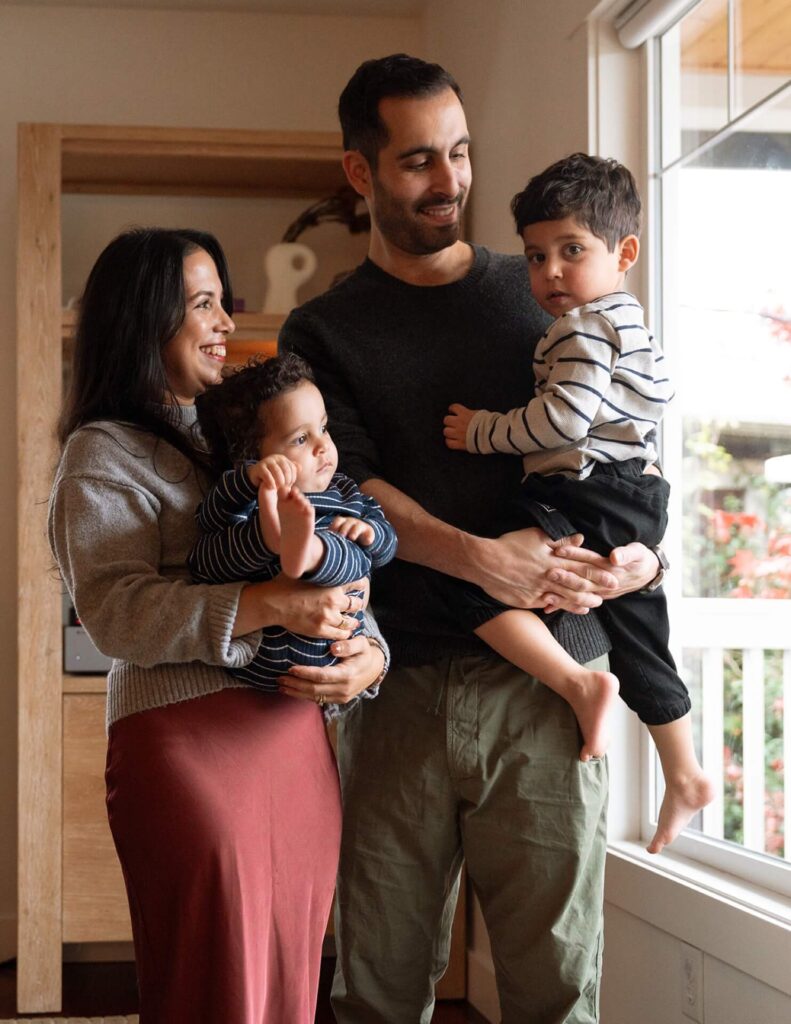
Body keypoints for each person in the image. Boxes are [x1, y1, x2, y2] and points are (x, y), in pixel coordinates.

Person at [280, 53, 661, 1024]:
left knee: (554, 994)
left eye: (458, 153)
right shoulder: (321, 331)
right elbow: (345, 493)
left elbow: (635, 446)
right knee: (375, 989)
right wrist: (479, 557)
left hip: (548, 692)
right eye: (417, 161)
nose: (449, 181)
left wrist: (641, 558)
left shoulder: (545, 292)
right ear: (359, 174)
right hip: (391, 687)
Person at [47, 227, 388, 1024]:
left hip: (294, 742)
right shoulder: (102, 455)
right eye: (203, 305)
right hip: (187, 745)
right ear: (144, 321)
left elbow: (340, 558)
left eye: (223, 302)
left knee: (287, 983)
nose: (226, 323)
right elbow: (116, 611)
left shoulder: (244, 434)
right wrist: (268, 606)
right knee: (215, 984)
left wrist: (368, 654)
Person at [443, 153, 713, 851]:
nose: (550, 273)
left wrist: (482, 432)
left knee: (471, 579)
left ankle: (575, 684)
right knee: (639, 635)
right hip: (635, 494)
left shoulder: (583, 328)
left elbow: (561, 419)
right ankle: (682, 770)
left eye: (571, 251)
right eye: (536, 256)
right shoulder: (631, 323)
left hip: (585, 490)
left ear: (623, 252)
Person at [189, 352, 397, 719]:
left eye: (324, 427)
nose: (322, 446)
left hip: (327, 654)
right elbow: (210, 517)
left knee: (353, 553)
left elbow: (388, 544)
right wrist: (251, 479)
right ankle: (273, 541)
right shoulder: (252, 494)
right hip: (253, 654)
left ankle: (308, 552)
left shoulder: (345, 493)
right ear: (254, 457)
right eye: (301, 438)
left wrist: (370, 532)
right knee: (209, 551)